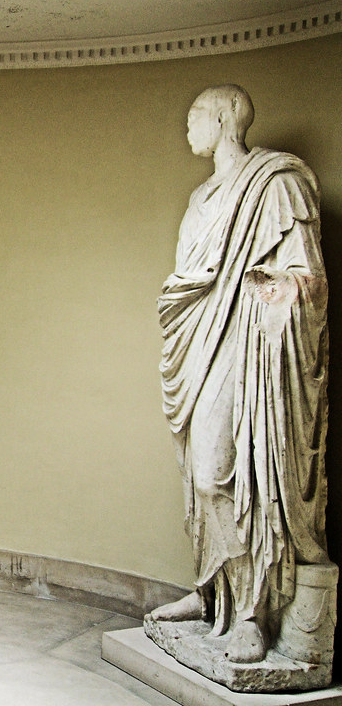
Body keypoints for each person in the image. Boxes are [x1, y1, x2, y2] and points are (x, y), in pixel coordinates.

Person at [152, 85, 330, 664]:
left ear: (226, 116)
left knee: (225, 471)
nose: (188, 129)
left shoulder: (275, 186)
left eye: (196, 116)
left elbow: (307, 279)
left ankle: (254, 611)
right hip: (201, 344)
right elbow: (187, 282)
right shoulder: (201, 196)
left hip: (248, 346)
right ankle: (212, 596)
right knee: (198, 477)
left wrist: (268, 295)